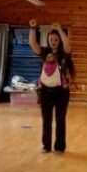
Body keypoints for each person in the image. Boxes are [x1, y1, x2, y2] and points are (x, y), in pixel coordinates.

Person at [29, 19, 75, 153]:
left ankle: (60, 147)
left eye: (55, 39)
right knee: (46, 120)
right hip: (45, 92)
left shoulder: (64, 52)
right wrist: (32, 28)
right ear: (48, 40)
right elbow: (33, 44)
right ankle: (46, 146)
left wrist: (60, 30)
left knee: (60, 120)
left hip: (61, 92)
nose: (53, 42)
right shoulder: (45, 52)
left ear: (59, 40)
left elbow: (67, 44)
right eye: (51, 39)